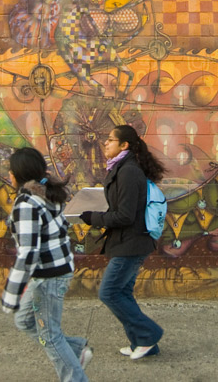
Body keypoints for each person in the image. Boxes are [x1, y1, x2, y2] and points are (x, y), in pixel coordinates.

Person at [1, 147, 92, 382]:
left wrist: (11, 294)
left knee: (49, 336)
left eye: (10, 171)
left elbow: (28, 252)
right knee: (24, 321)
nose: (8, 175)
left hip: (49, 277)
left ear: (18, 174)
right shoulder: (47, 195)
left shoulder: (27, 203)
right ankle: (75, 351)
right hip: (54, 272)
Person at [79, 124, 165, 360]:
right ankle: (143, 343)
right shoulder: (122, 169)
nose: (105, 143)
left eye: (110, 139)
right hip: (129, 242)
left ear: (124, 145)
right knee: (123, 293)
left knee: (109, 293)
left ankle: (148, 334)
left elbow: (125, 215)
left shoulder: (128, 171)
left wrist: (93, 218)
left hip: (131, 243)